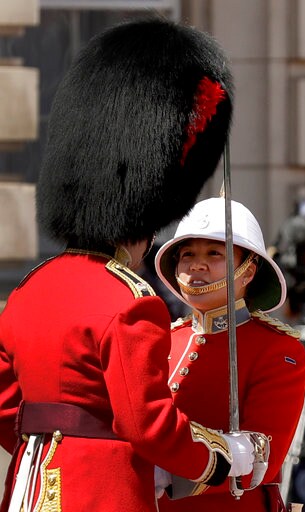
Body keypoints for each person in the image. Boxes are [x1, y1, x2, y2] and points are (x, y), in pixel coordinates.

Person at [0, 17, 265, 512]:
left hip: (29, 485)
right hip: (105, 492)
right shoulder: (129, 301)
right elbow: (146, 424)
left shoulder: (29, 289)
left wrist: (56, 443)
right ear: (150, 210)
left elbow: (3, 407)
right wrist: (225, 456)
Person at [155, 197, 305, 512]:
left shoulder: (278, 349)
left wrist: (169, 473)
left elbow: (262, 456)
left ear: (248, 272)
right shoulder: (161, 339)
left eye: (214, 253)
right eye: (187, 254)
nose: (197, 264)